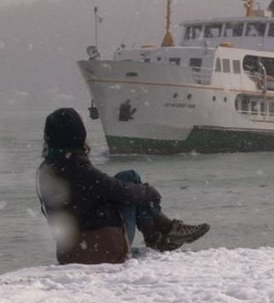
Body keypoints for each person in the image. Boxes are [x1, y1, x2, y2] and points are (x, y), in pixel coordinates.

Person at [36, 108, 210, 265]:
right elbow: (120, 191)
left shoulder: (47, 169)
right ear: (76, 133)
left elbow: (101, 190)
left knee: (127, 179)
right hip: (100, 247)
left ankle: (162, 233)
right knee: (131, 181)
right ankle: (163, 233)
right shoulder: (77, 167)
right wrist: (150, 193)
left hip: (71, 248)